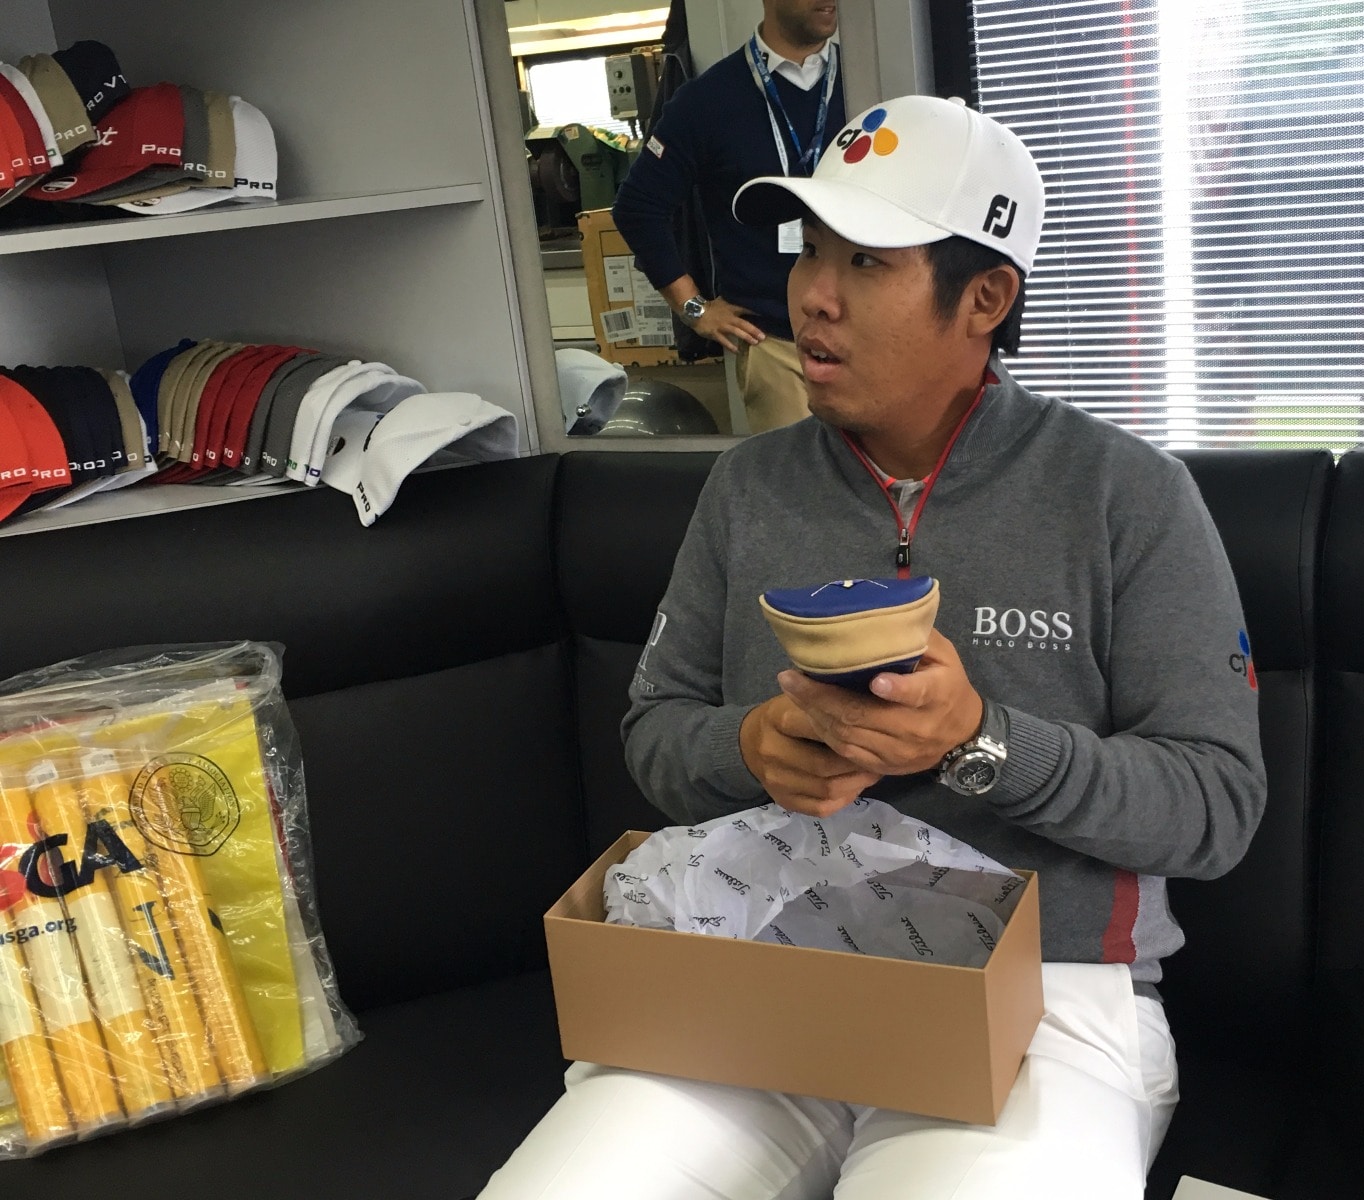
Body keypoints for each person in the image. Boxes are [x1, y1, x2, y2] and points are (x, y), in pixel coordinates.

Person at [480, 95, 1267, 1198]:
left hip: (1045, 995)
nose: (812, 293)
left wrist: (980, 742)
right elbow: (654, 735)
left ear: (985, 298)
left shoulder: (1125, 496)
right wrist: (753, 749)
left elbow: (1215, 807)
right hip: (762, 970)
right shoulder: (747, 487)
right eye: (810, 251)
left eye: (865, 261)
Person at [611, 0, 845, 433]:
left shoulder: (866, 80)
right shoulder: (708, 100)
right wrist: (694, 308)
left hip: (868, 334)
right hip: (776, 346)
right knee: (793, 477)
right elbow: (637, 207)